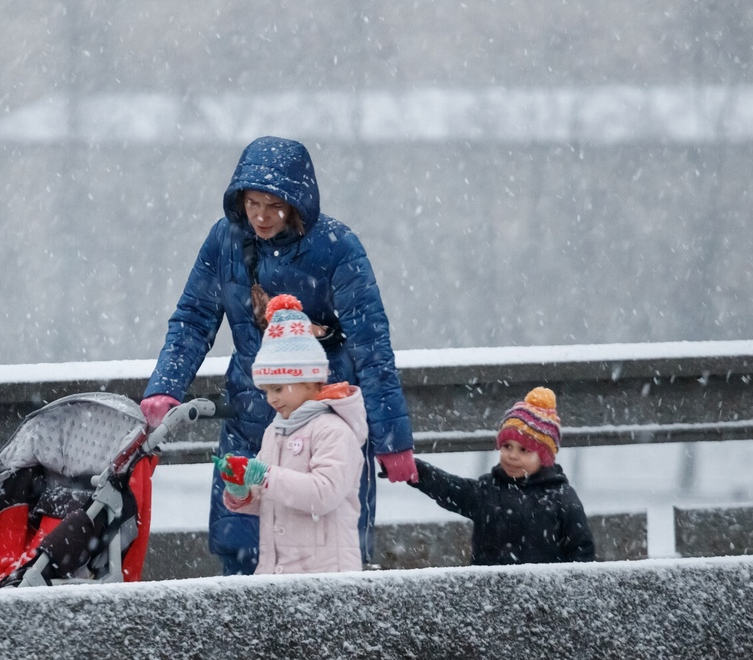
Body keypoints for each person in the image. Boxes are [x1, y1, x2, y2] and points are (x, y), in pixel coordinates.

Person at [140, 136, 414, 575]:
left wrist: (392, 438)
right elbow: (194, 318)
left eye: (274, 205)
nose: (262, 217)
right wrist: (166, 386)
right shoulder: (225, 241)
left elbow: (372, 347)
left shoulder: (337, 247)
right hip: (250, 419)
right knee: (243, 552)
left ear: (298, 204)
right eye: (253, 203)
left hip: (323, 423)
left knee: (326, 554)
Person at [214, 295, 367, 574]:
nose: (271, 399)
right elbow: (268, 498)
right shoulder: (276, 431)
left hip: (327, 574)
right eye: (267, 391)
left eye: (279, 389)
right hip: (278, 572)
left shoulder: (333, 430)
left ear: (310, 380)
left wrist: (265, 475)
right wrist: (242, 491)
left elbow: (323, 493)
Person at [406, 386, 596, 565]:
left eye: (524, 450)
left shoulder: (561, 498)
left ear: (544, 458)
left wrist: (574, 591)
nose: (512, 456)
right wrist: (415, 470)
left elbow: (581, 549)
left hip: (545, 594)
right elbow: (448, 488)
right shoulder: (487, 490)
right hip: (487, 594)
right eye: (507, 446)